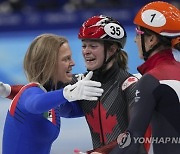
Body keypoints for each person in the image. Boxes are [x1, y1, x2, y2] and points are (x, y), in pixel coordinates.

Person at [2, 33, 104, 154]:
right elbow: (34, 103)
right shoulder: (31, 93)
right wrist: (66, 94)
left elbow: (79, 109)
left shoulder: (51, 100)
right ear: (49, 63)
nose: (73, 63)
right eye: (66, 59)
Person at [108, 1, 180, 154]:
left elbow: (133, 141)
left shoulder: (152, 80)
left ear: (152, 39)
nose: (135, 40)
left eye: (138, 34)